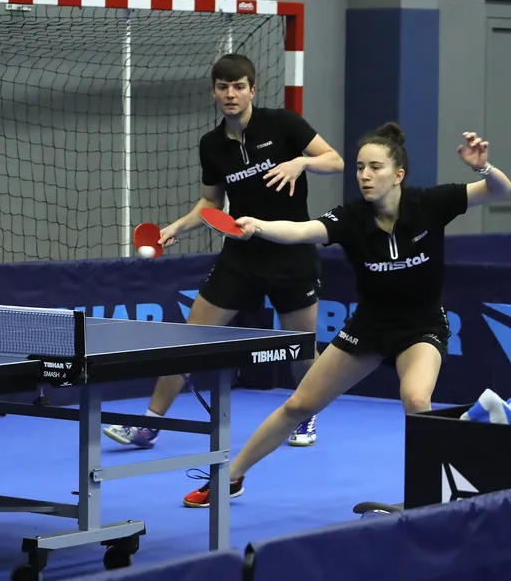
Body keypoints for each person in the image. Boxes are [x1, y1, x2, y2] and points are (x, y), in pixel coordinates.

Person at [182, 122, 511, 507]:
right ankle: (230, 477)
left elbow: (500, 191)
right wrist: (258, 227)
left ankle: (431, 499)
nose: (365, 176)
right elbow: (303, 231)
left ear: (398, 174)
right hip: (369, 328)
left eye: (375, 167)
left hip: (421, 327)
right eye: (359, 168)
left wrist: (482, 168)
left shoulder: (430, 205)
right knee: (298, 406)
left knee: (416, 398)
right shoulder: (352, 218)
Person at [103, 53, 344, 452]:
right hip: (240, 256)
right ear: (214, 91)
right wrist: (175, 227)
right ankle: (148, 424)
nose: (231, 94)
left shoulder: (283, 123)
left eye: (238, 86)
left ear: (252, 90)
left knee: (300, 346)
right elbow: (211, 203)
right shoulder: (212, 144)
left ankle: (305, 414)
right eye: (223, 86)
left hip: (291, 251)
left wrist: (301, 162)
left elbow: (334, 160)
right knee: (190, 340)